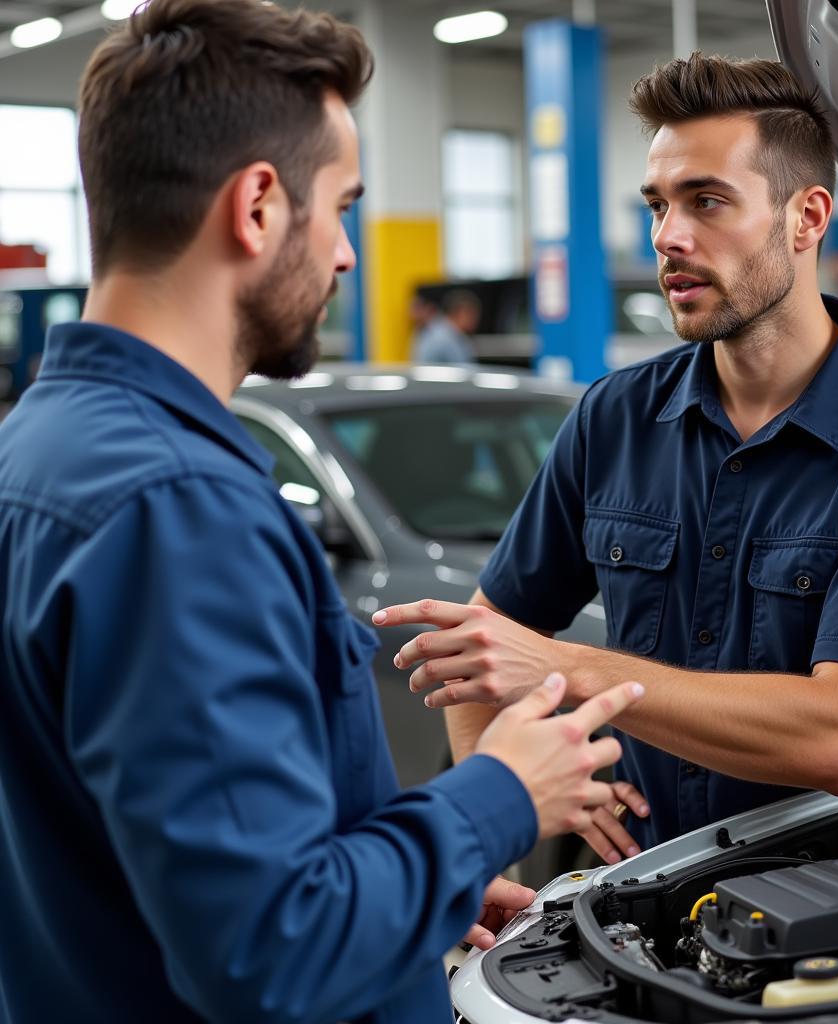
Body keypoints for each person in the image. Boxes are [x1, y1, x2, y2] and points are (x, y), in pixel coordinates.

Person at [0, 3, 645, 1022]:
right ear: (257, 205)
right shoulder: (177, 511)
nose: (347, 254)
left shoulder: (39, 451)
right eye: (341, 205)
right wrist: (496, 795)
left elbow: (156, 854)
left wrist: (418, 886)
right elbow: (273, 951)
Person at [373, 54, 838, 869]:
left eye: (706, 201)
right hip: (642, 897)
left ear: (807, 218)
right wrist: (509, 805)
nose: (669, 236)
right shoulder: (614, 419)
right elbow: (485, 645)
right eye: (658, 205)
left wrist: (569, 668)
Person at [412, 287, 480, 363]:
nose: (476, 319)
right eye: (472, 314)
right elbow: (464, 370)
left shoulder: (438, 332)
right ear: (462, 313)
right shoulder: (445, 338)